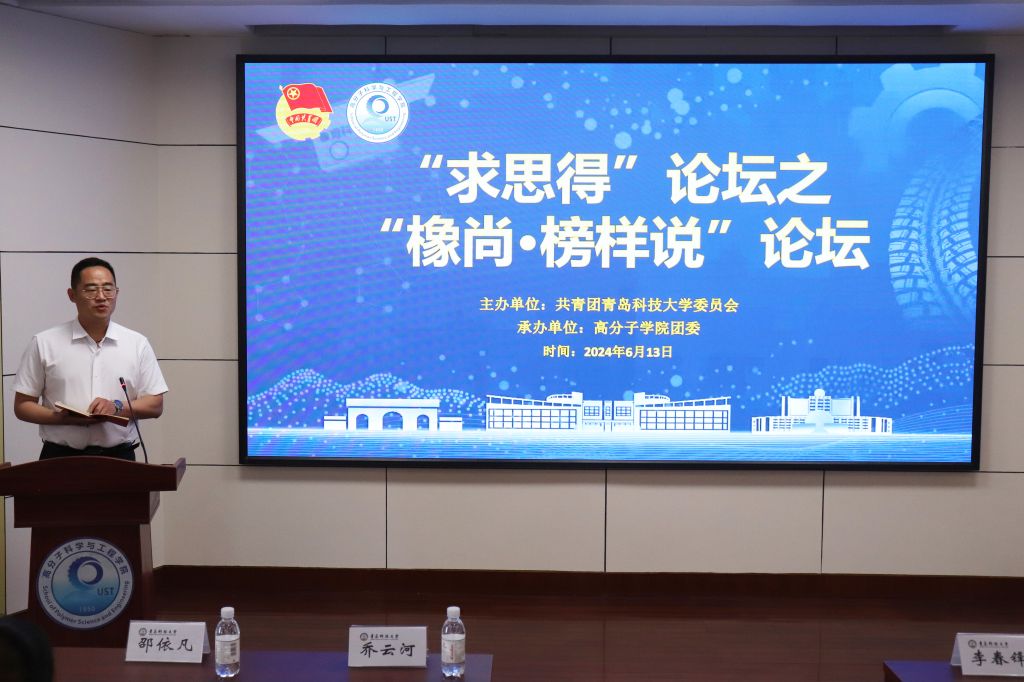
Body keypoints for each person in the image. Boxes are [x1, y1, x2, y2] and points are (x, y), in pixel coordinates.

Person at [12, 257, 168, 461]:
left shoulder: (137, 343)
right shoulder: (44, 342)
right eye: (91, 289)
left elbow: (155, 405)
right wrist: (61, 418)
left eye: (108, 289)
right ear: (72, 295)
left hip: (119, 458)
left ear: (117, 293)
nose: (101, 297)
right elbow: (22, 405)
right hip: (59, 458)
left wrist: (117, 407)